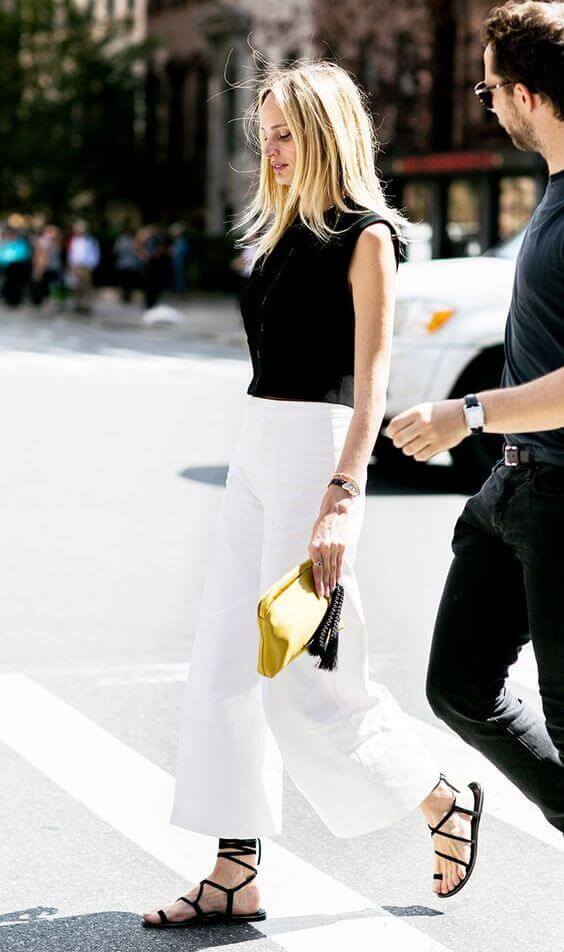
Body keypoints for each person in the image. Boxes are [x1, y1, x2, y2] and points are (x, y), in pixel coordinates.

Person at [142, 60, 484, 930]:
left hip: (314, 457)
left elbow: (371, 387)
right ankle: (233, 867)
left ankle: (440, 797)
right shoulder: (281, 229)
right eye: (266, 133)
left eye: (289, 132)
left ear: (329, 131)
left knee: (304, 680)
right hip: (259, 446)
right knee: (224, 664)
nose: (274, 149)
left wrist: (341, 495)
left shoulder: (368, 236)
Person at [388, 0, 564, 835]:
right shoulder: (554, 188)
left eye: (490, 87)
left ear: (528, 94)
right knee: (458, 686)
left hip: (562, 497)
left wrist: (467, 412)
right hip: (512, 491)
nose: (485, 101)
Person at [67, 220, 100, 315]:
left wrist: (91, 265)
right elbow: (71, 254)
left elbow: (95, 254)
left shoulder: (90, 240)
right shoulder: (74, 240)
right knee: (77, 286)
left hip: (86, 266)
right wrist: (71, 265)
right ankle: (78, 305)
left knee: (86, 286)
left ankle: (86, 305)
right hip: (76, 266)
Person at [113, 229, 140, 303]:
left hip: (130, 265)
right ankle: (124, 296)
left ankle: (128, 296)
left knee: (129, 282)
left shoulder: (133, 240)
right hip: (124, 265)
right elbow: (116, 251)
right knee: (124, 281)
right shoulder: (122, 240)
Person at [169, 222, 190, 294]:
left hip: (180, 263)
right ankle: (179, 292)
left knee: (180, 278)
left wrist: (173, 252)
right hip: (176, 263)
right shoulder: (176, 241)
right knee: (177, 278)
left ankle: (181, 292)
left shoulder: (182, 240)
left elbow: (180, 252)